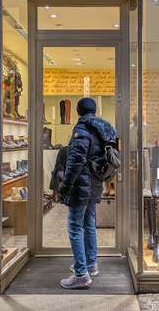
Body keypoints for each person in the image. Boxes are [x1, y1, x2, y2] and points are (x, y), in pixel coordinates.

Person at [59, 97, 117, 289]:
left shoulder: (81, 131)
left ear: (79, 112)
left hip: (79, 185)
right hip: (94, 184)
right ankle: (90, 264)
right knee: (89, 223)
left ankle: (81, 273)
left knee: (74, 226)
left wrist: (65, 185)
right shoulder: (101, 131)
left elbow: (75, 161)